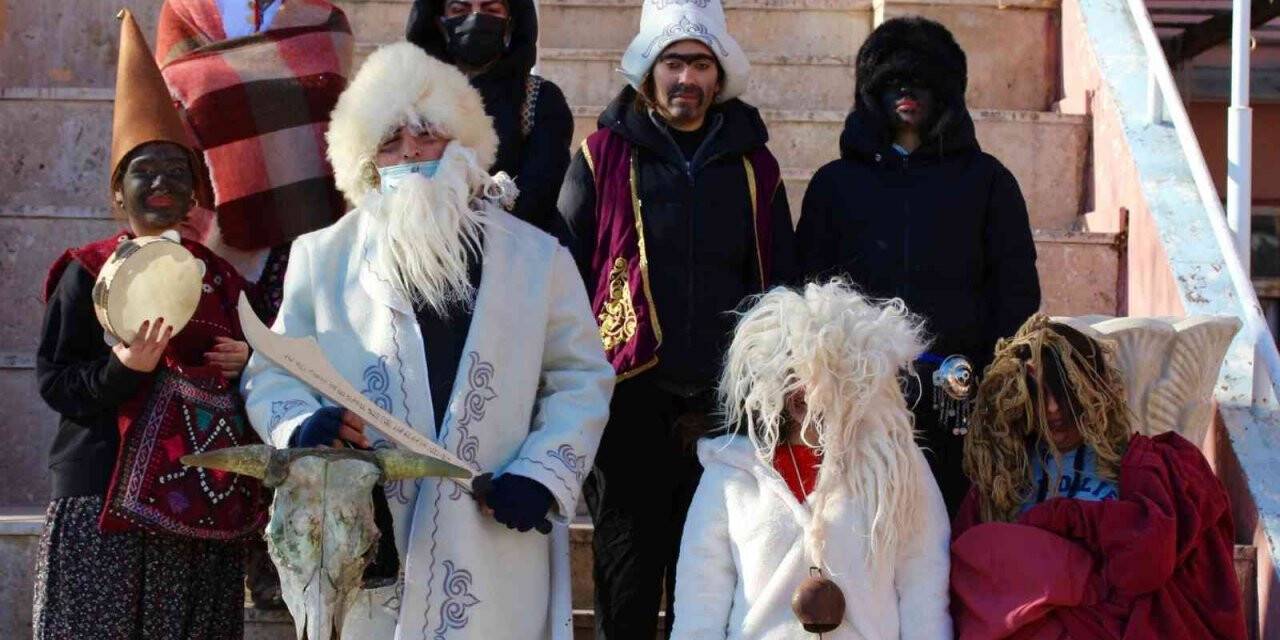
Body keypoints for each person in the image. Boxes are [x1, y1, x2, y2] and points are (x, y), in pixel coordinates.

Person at [240, 42, 615, 638]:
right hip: (367, 544)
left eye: (426, 132)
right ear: (366, 160)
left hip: (495, 540)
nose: (410, 150)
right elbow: (272, 372)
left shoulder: (537, 256)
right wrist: (298, 429)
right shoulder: (321, 257)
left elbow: (581, 375)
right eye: (389, 139)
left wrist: (544, 473)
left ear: (462, 142)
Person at [555, 0, 798, 635]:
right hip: (627, 400)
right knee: (628, 577)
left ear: (719, 77)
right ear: (648, 70)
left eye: (700, 64)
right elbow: (564, 271)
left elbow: (781, 285)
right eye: (673, 62)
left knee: (712, 585)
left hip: (727, 407)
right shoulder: (600, 155)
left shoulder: (755, 167)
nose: (686, 78)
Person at [31, 12, 267, 638]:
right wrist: (123, 369)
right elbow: (57, 383)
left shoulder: (224, 282)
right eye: (144, 171)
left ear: (196, 194)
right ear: (118, 193)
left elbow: (279, 366)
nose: (161, 182)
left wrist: (251, 363)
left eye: (176, 171)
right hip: (102, 499)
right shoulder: (85, 273)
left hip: (202, 512)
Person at [795, 16, 1040, 515]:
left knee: (954, 537)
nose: (907, 93)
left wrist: (995, 382)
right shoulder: (834, 185)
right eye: (892, 82)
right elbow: (808, 288)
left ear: (947, 92)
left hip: (961, 399)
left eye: (922, 81)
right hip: (860, 400)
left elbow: (1015, 291)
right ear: (870, 93)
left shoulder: (989, 183)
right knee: (863, 534)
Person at [671, 282, 952, 639]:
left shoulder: (895, 464)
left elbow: (923, 586)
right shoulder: (728, 472)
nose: (805, 388)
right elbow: (700, 602)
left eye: (823, 373)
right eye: (793, 371)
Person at [950, 316, 1248, 639]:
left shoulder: (1147, 465)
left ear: (1091, 390)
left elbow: (1149, 557)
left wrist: (1062, 518)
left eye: (1064, 391)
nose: (1051, 408)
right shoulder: (1000, 480)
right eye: (1038, 392)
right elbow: (973, 572)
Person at [156, 0, 353, 322]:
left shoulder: (323, 19)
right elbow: (167, 107)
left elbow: (328, 117)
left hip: (304, 220)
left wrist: (228, 80)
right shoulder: (183, 11)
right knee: (216, 346)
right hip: (212, 215)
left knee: (295, 350)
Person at [407, 0, 574, 229]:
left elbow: (539, 196)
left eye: (491, 10)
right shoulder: (411, 100)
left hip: (512, 249)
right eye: (460, 10)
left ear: (510, 24)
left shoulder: (539, 100)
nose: (475, 18)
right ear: (439, 23)